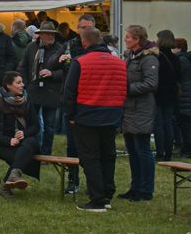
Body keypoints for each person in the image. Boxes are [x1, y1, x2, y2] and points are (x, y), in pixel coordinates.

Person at [64, 27, 128, 212]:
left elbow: (70, 92)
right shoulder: (119, 63)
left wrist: (71, 116)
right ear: (101, 40)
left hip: (87, 115)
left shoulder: (80, 62)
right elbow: (127, 89)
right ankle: (107, 195)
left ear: (84, 42)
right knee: (108, 155)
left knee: (90, 157)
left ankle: (97, 199)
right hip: (112, 114)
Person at [47, 14, 96, 194]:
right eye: (82, 27)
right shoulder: (68, 45)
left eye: (89, 27)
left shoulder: (99, 47)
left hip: (90, 101)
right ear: (78, 29)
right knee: (71, 144)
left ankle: (93, 183)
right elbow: (51, 63)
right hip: (71, 101)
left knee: (91, 145)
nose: (85, 31)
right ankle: (72, 181)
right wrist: (58, 60)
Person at [0, 71, 41, 198]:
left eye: (22, 82)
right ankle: (7, 185)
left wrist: (24, 133)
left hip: (23, 142)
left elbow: (35, 126)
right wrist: (7, 140)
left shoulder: (26, 101)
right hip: (2, 144)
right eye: (19, 82)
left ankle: (11, 180)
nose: (23, 85)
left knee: (31, 142)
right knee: (21, 157)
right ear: (8, 86)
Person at [119, 24, 159, 202]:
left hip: (141, 108)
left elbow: (151, 84)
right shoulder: (129, 56)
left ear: (137, 40)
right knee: (132, 150)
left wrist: (127, 89)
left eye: (128, 37)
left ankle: (146, 189)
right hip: (128, 108)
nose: (125, 39)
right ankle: (135, 187)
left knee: (142, 149)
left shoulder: (149, 59)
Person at [20, 21, 63, 157]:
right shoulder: (31, 47)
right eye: (48, 34)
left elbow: (67, 71)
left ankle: (46, 154)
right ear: (41, 35)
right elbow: (24, 67)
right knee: (33, 124)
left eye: (52, 34)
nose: (50, 36)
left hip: (51, 92)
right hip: (33, 91)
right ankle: (33, 150)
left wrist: (52, 74)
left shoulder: (60, 49)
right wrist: (26, 84)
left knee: (49, 126)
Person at [154, 30, 182, 161]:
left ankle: (160, 153)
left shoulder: (156, 57)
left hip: (158, 92)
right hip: (171, 94)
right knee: (168, 122)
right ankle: (168, 154)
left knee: (159, 123)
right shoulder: (176, 58)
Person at [175, 39, 191, 158]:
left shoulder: (181, 60)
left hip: (184, 96)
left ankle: (186, 150)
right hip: (187, 95)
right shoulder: (187, 59)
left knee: (185, 125)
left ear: (179, 48)